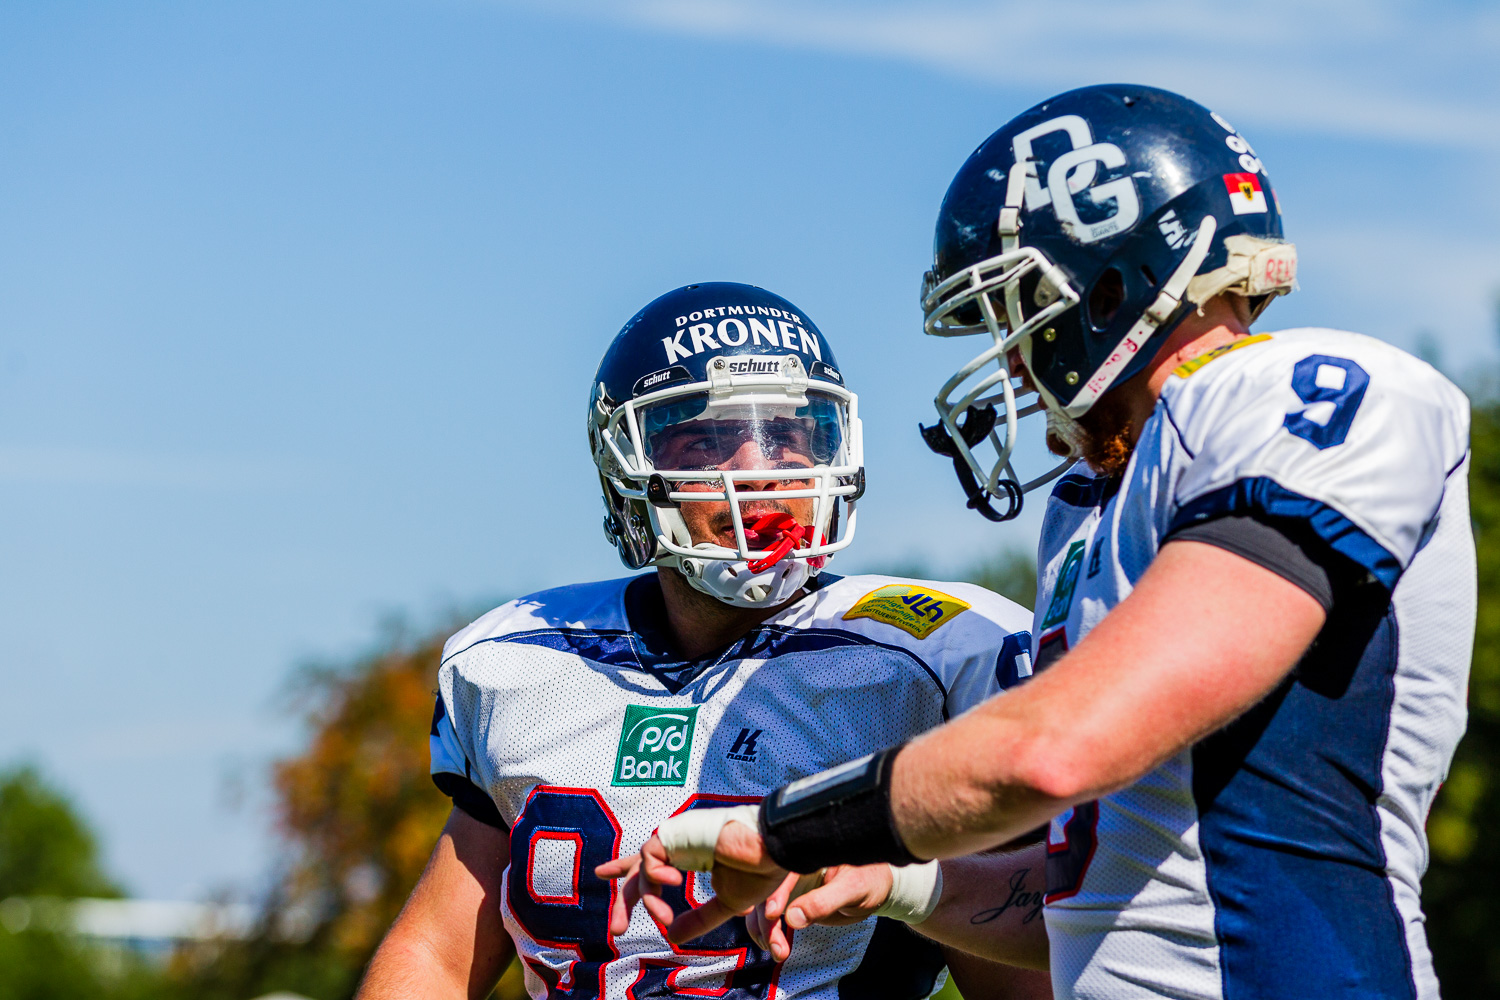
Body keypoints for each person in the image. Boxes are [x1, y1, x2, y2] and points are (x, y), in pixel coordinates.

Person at [604, 86, 1476, 1000]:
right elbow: (1096, 898)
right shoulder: (1094, 496)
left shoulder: (1307, 394)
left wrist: (786, 828)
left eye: (1019, 310)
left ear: (1115, 283)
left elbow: (1056, 748)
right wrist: (902, 885)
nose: (1014, 362)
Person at [354, 281, 1051, 999]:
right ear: (629, 468)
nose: (759, 473)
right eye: (709, 440)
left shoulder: (927, 660)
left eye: (788, 436)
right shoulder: (516, 665)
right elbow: (436, 954)